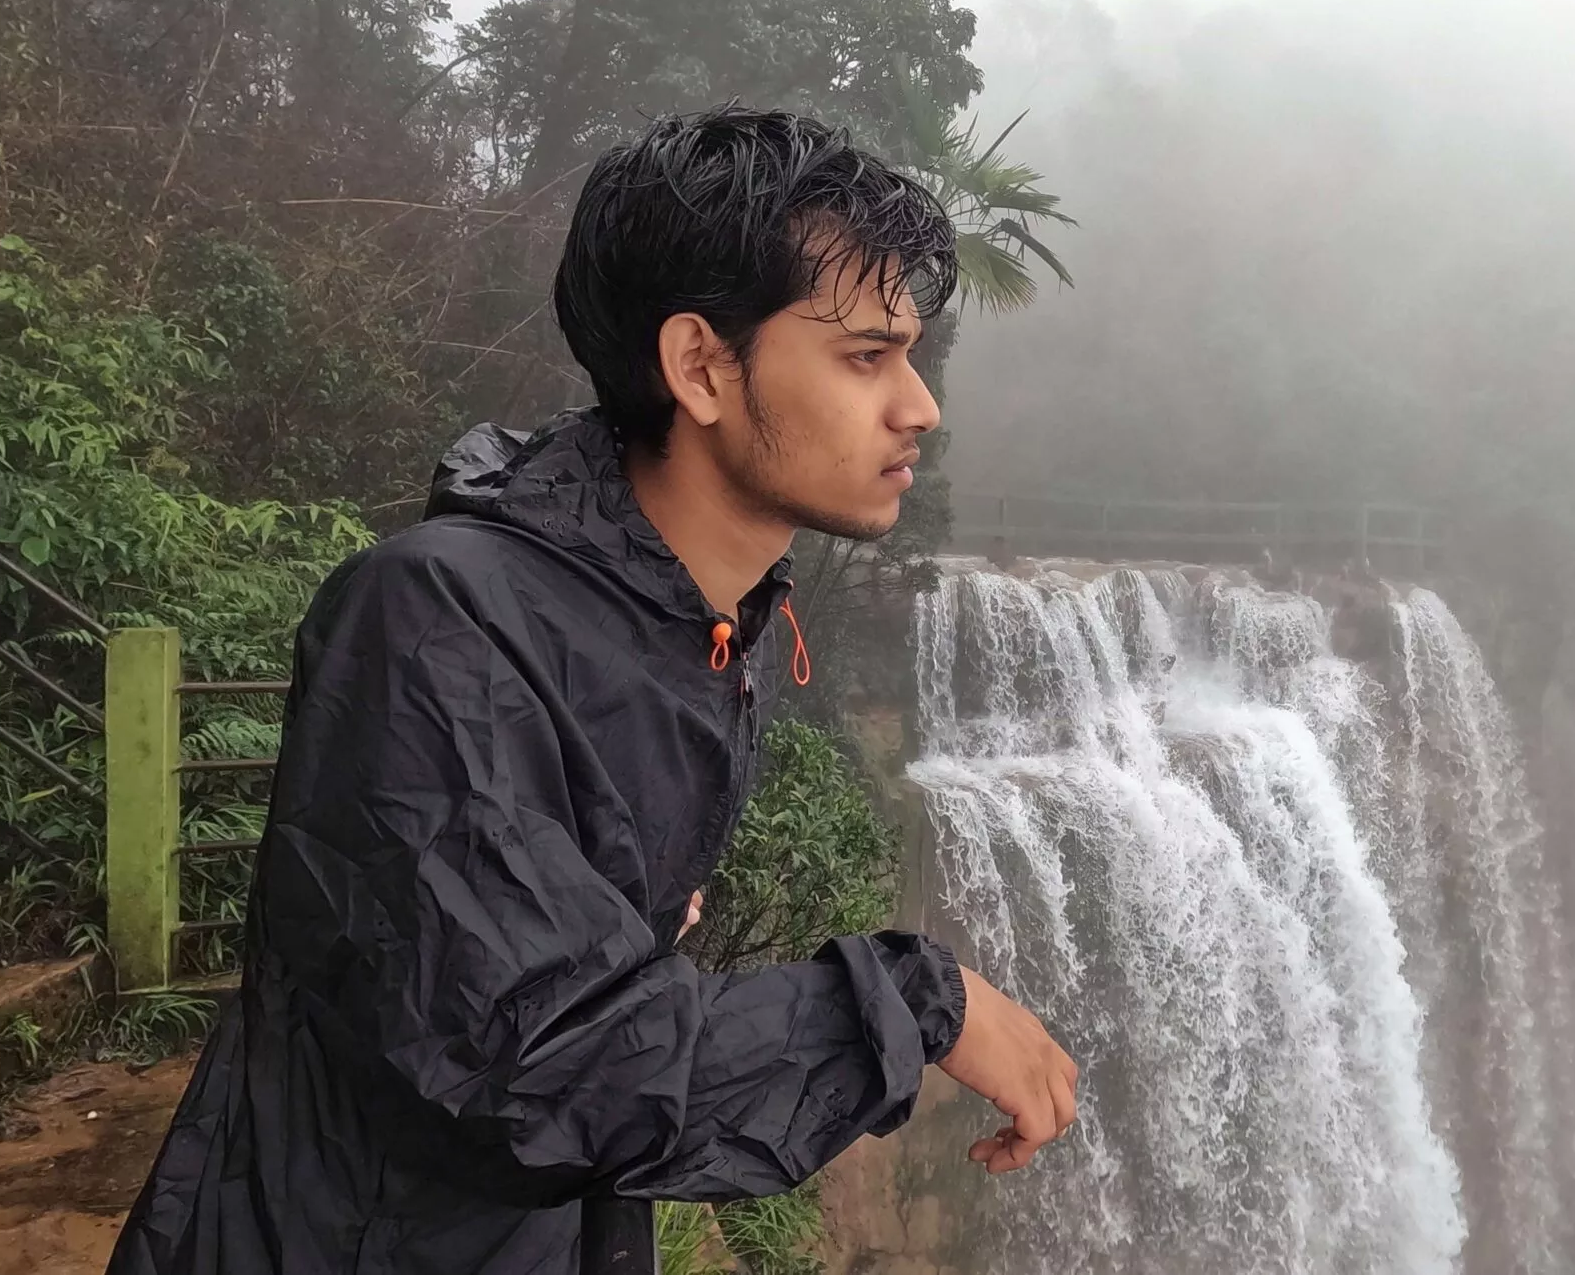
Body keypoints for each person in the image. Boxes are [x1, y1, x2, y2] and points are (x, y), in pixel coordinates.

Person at [109, 106, 1079, 1275]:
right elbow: (524, 1065)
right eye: (867, 357)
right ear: (700, 366)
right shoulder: (434, 619)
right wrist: (918, 1002)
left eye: (907, 357)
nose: (918, 405)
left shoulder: (711, 623)